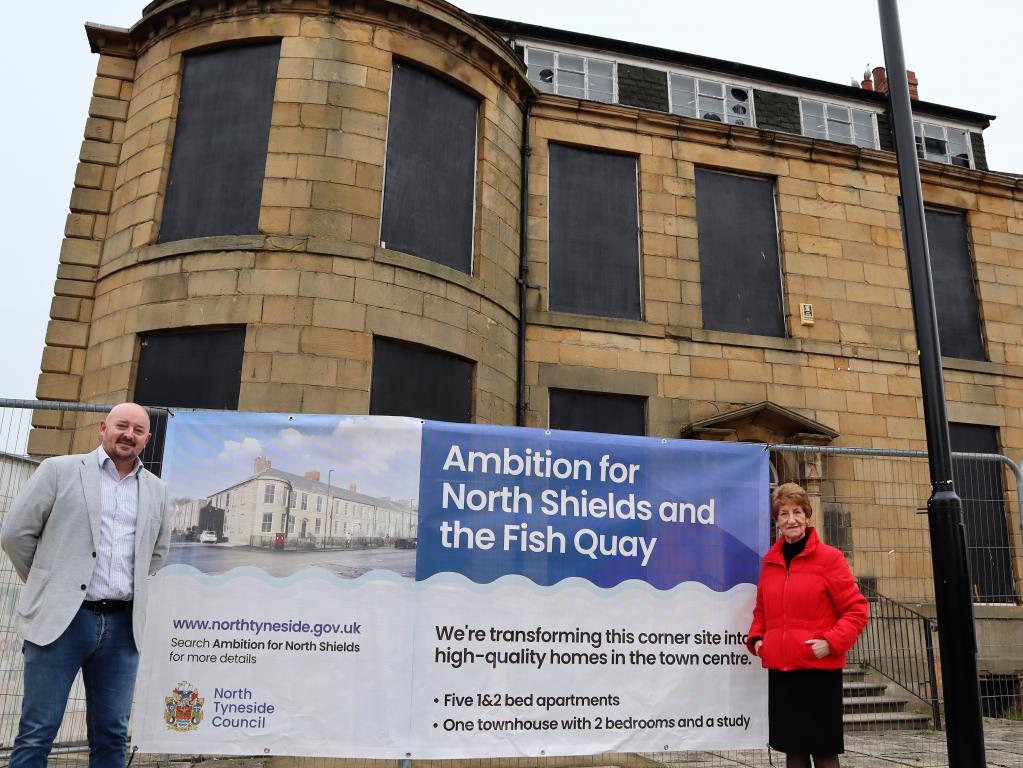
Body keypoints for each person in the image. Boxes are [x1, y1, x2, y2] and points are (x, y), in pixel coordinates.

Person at [1, 402, 172, 768]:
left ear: (147, 439)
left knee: (111, 735)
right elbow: (16, 535)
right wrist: (50, 585)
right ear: (102, 428)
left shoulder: (157, 490)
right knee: (37, 732)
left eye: (137, 430)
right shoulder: (59, 470)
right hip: (61, 622)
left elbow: (158, 552)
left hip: (123, 628)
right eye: (121, 425)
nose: (128, 434)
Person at [746, 482, 868, 768]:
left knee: (823, 751)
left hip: (818, 671)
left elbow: (857, 610)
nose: (791, 519)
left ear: (807, 516)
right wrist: (758, 639)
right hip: (782, 672)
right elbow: (761, 611)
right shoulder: (770, 562)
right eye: (784, 513)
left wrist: (831, 643)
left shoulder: (830, 559)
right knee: (793, 751)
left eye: (797, 512)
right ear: (776, 521)